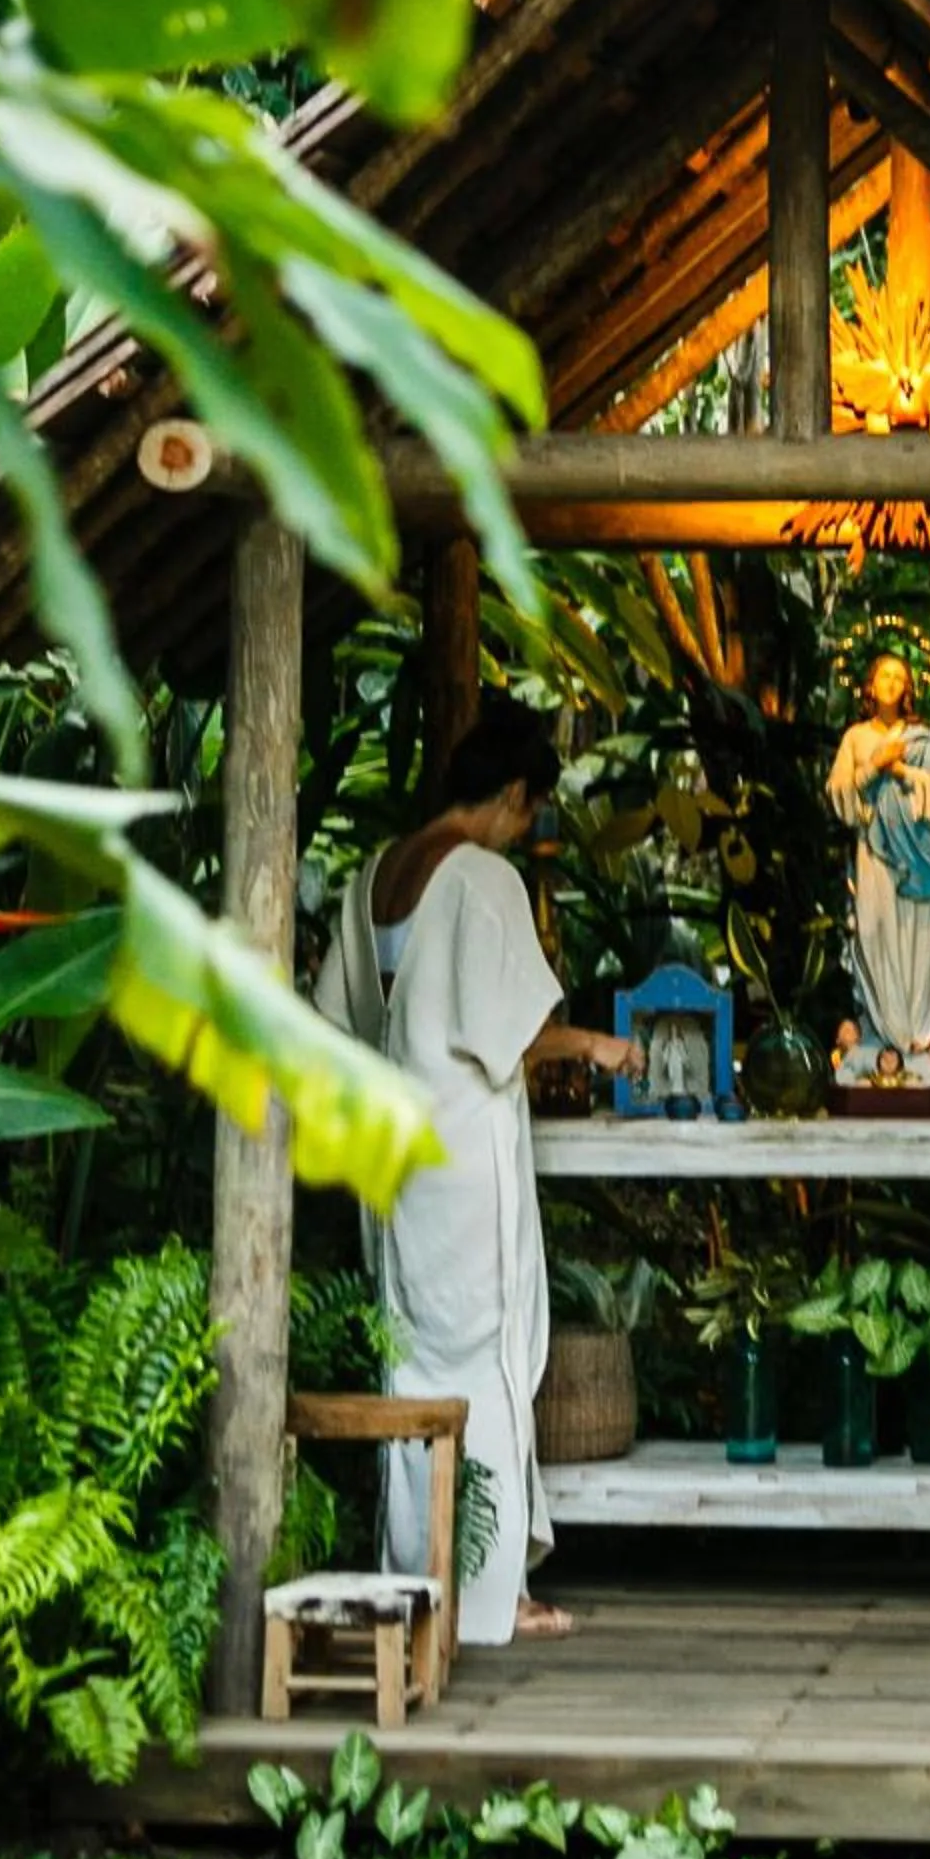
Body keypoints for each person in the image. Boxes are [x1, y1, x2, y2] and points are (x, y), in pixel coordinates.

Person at [314, 703, 638, 1644]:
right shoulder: (480, 878)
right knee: (488, 1362)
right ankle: (496, 1596)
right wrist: (601, 1046)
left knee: (409, 1361)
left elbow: (340, 1021)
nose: (528, 829)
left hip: (392, 1162)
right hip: (462, 1163)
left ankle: (420, 1581)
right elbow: (512, 1033)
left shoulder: (373, 877)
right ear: (508, 795)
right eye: (531, 811)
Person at [826, 649, 930, 1070]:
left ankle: (919, 1038)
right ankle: (881, 1033)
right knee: (874, 934)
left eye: (899, 677)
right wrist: (873, 766)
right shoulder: (856, 737)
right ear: (870, 687)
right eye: (884, 676)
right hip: (875, 855)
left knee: (916, 939)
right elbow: (839, 795)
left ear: (908, 689)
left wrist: (908, 774)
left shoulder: (921, 738)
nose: (891, 683)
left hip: (921, 862)